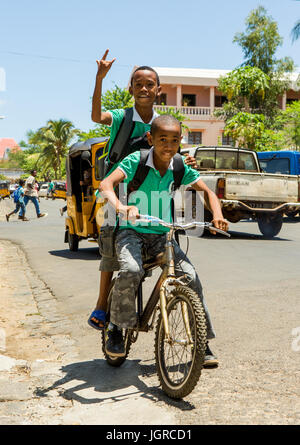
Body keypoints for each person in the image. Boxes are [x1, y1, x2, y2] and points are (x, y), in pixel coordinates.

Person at [97, 115, 229, 364]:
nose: (169, 145)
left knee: (190, 277)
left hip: (162, 234)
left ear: (181, 141)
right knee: (131, 270)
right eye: (162, 139)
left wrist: (218, 214)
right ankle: (115, 327)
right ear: (150, 139)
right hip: (131, 231)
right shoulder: (136, 160)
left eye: (174, 140)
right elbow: (106, 184)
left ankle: (202, 343)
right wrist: (121, 206)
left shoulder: (179, 166)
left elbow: (209, 192)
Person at [88, 50, 196, 336]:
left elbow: (173, 154)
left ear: (158, 90)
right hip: (119, 190)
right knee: (112, 246)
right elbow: (96, 115)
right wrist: (100, 78)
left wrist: (189, 161)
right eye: (139, 85)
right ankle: (102, 304)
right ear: (131, 89)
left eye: (150, 85)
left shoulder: (163, 120)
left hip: (151, 193)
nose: (145, 89)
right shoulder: (122, 117)